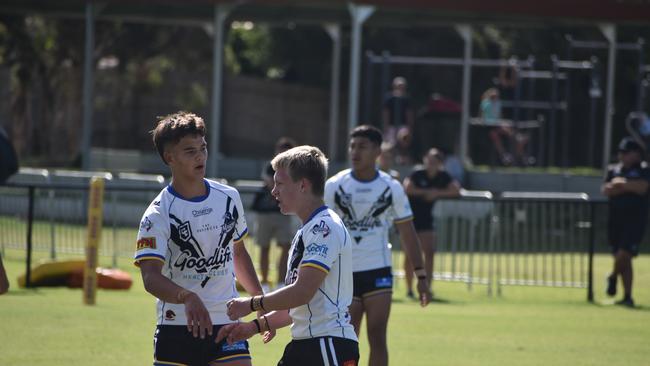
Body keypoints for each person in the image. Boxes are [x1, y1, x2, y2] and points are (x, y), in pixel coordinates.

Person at [134, 111, 264, 366]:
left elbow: (238, 253)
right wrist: (187, 297)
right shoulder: (158, 213)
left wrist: (258, 298)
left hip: (227, 322)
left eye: (202, 148)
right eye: (189, 151)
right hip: (177, 325)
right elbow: (150, 277)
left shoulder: (228, 198)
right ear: (169, 157)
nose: (200, 156)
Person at [217, 145, 360, 366]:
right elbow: (296, 306)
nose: (274, 191)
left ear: (302, 185)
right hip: (306, 345)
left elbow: (301, 292)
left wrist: (252, 304)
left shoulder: (324, 227)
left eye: (280, 184)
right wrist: (253, 327)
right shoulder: (307, 230)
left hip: (327, 346)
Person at [325, 125, 430, 366]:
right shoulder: (334, 185)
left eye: (362, 147)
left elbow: (408, 232)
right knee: (346, 339)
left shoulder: (390, 187)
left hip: (378, 270)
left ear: (377, 151)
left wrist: (421, 276)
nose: (355, 152)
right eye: (352, 146)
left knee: (377, 336)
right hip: (344, 274)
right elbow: (324, 230)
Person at [403, 148, 461, 299]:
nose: (430, 164)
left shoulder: (443, 176)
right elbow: (407, 188)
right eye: (428, 161)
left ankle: (426, 287)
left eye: (434, 162)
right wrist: (425, 193)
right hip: (409, 219)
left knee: (429, 252)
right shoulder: (417, 173)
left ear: (440, 164)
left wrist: (436, 193)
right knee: (410, 255)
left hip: (427, 219)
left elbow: (456, 191)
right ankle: (409, 289)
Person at [602, 136, 650, 308]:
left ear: (636, 154)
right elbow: (606, 190)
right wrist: (623, 187)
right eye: (621, 152)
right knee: (623, 259)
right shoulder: (613, 170)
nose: (622, 156)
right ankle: (627, 296)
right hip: (615, 220)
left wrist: (622, 184)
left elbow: (642, 188)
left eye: (626, 153)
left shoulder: (644, 170)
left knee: (625, 253)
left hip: (635, 220)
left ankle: (612, 276)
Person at [251, 137, 297, 292]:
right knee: (264, 247)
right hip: (265, 212)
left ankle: (280, 282)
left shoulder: (295, 168)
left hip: (283, 213)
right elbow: (271, 182)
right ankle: (264, 283)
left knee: (285, 246)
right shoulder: (270, 166)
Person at [479, 88, 528, 166]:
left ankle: (517, 140)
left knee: (506, 127)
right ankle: (503, 155)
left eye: (496, 96)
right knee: (495, 136)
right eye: (493, 96)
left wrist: (502, 122)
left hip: (496, 124)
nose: (495, 97)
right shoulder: (485, 103)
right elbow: (482, 114)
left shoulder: (498, 103)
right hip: (489, 126)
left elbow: (499, 115)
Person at [382, 76, 415, 145]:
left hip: (403, 126)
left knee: (403, 142)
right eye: (399, 86)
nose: (401, 88)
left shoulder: (407, 99)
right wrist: (386, 127)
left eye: (402, 86)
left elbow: (409, 113)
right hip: (391, 126)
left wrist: (409, 127)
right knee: (390, 143)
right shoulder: (389, 98)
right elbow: (386, 113)